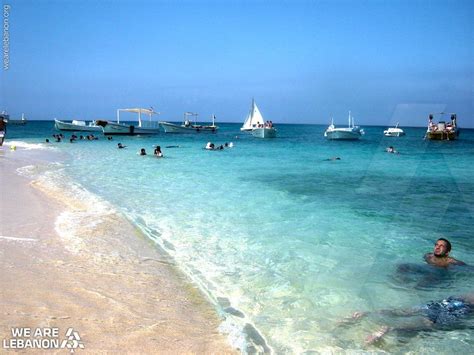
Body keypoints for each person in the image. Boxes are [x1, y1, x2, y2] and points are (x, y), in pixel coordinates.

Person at [342, 293, 474, 345]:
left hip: (441, 303)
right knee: (428, 324)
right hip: (455, 311)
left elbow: (456, 297)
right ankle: (391, 328)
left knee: (401, 312)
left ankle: (366, 313)